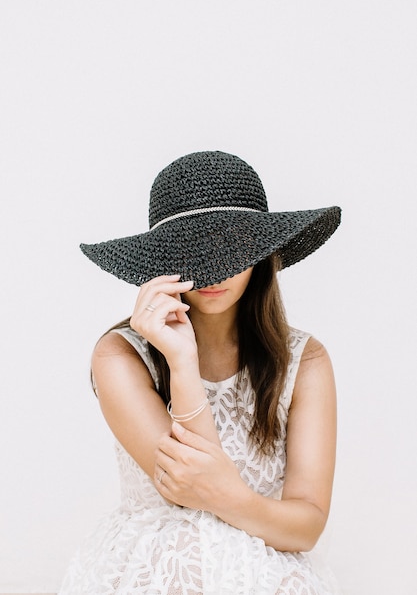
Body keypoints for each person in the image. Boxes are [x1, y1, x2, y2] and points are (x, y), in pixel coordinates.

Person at [58, 150, 342, 595]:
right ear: (160, 260)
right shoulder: (118, 356)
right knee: (187, 552)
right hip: (157, 568)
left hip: (262, 570)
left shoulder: (305, 360)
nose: (213, 267)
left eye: (231, 245)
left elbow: (305, 527)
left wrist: (236, 498)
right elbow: (184, 487)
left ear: (260, 253)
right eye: (191, 248)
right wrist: (182, 360)